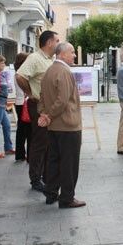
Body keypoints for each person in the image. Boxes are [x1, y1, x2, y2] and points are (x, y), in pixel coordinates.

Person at [38, 43, 86, 209]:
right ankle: (67, 198)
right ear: (62, 54)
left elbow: (41, 97)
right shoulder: (64, 71)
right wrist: (48, 115)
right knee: (69, 164)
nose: (74, 55)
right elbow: (63, 100)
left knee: (54, 161)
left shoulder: (49, 71)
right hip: (68, 125)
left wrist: (43, 114)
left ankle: (51, 193)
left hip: (54, 126)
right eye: (72, 52)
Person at [16, 30, 59, 191]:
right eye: (57, 40)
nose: (58, 43)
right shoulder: (35, 58)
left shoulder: (50, 60)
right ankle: (35, 179)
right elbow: (20, 76)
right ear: (49, 43)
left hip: (48, 107)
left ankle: (45, 176)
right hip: (38, 106)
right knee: (40, 142)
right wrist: (30, 93)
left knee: (48, 142)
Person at [13, 52, 30, 162]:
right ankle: (30, 155)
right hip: (25, 104)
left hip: (19, 103)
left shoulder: (16, 74)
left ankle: (19, 154)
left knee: (20, 130)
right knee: (29, 130)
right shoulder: (23, 74)